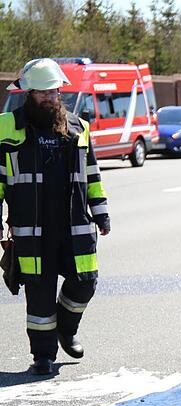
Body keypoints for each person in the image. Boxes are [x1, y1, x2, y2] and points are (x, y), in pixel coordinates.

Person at [0, 58, 110, 376]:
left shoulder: (77, 127)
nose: (49, 98)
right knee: (39, 292)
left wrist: (101, 213)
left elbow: (92, 174)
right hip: (31, 229)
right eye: (41, 93)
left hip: (75, 225)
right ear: (27, 93)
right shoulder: (7, 127)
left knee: (85, 282)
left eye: (53, 92)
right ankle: (43, 355)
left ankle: (67, 327)